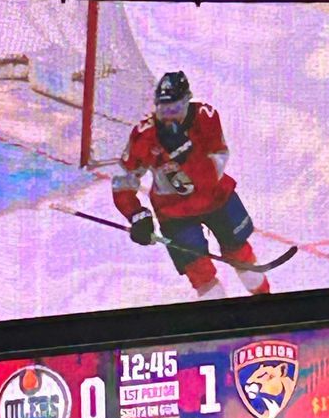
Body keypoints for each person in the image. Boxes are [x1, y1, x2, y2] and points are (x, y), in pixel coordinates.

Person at [111, 71, 277, 303]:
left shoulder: (206, 118)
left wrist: (185, 155)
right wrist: (136, 214)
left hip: (217, 199)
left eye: (175, 109)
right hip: (174, 213)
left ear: (187, 102)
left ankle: (267, 304)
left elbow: (214, 169)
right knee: (199, 273)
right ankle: (224, 324)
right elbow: (123, 181)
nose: (168, 116)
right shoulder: (144, 135)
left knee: (239, 254)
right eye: (163, 109)